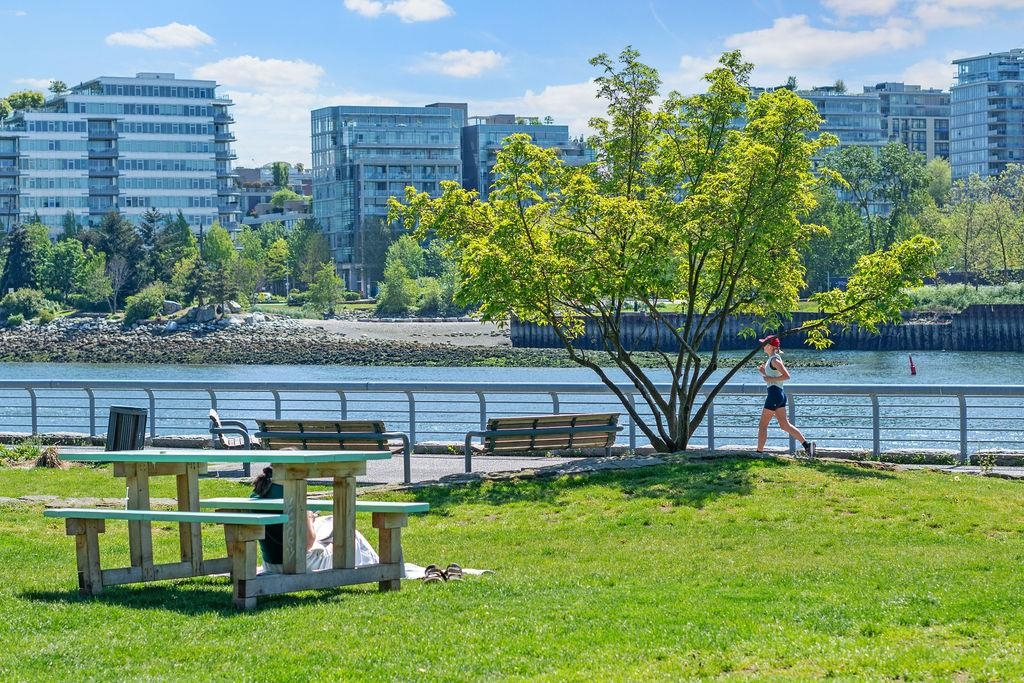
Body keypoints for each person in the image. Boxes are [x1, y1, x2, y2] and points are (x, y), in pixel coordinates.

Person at [251, 466, 378, 573]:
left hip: (271, 565)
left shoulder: (257, 493)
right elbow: (308, 542)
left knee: (331, 522)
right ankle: (377, 568)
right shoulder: (294, 494)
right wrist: (310, 518)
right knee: (350, 535)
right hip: (302, 564)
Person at [756, 335, 816, 458]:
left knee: (763, 425)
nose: (763, 345)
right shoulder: (772, 359)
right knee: (784, 425)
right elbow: (775, 377)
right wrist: (765, 373)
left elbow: (786, 376)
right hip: (779, 394)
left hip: (774, 395)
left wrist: (769, 378)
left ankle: (759, 453)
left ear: (771, 347)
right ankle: (807, 446)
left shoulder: (774, 360)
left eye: (765, 343)